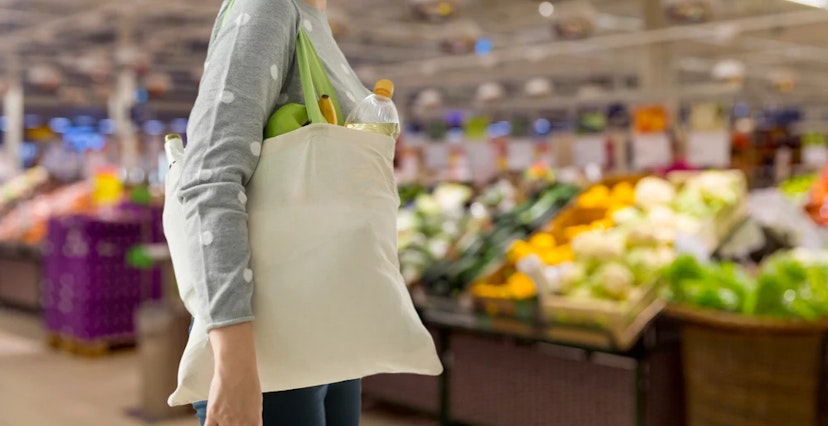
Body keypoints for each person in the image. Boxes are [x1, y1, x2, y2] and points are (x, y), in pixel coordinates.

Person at [176, 0, 370, 424]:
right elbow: (211, 178)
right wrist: (235, 368)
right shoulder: (268, 8)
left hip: (327, 323)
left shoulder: (310, 18)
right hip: (270, 342)